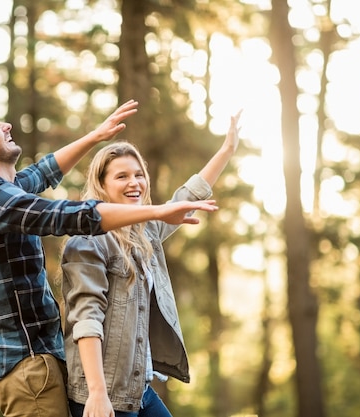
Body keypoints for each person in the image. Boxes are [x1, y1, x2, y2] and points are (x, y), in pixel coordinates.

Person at [0, 99, 220, 417]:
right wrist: (157, 211)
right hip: (27, 367)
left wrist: (96, 136)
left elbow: (44, 172)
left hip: (33, 360)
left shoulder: (3, 190)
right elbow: (61, 214)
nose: (6, 125)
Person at [61, 110, 242, 417]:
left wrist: (227, 150)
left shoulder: (144, 232)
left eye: (138, 174)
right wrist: (97, 394)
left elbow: (188, 194)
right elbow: (86, 318)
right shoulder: (89, 239)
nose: (135, 183)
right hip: (103, 395)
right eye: (122, 176)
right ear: (101, 185)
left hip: (138, 390)